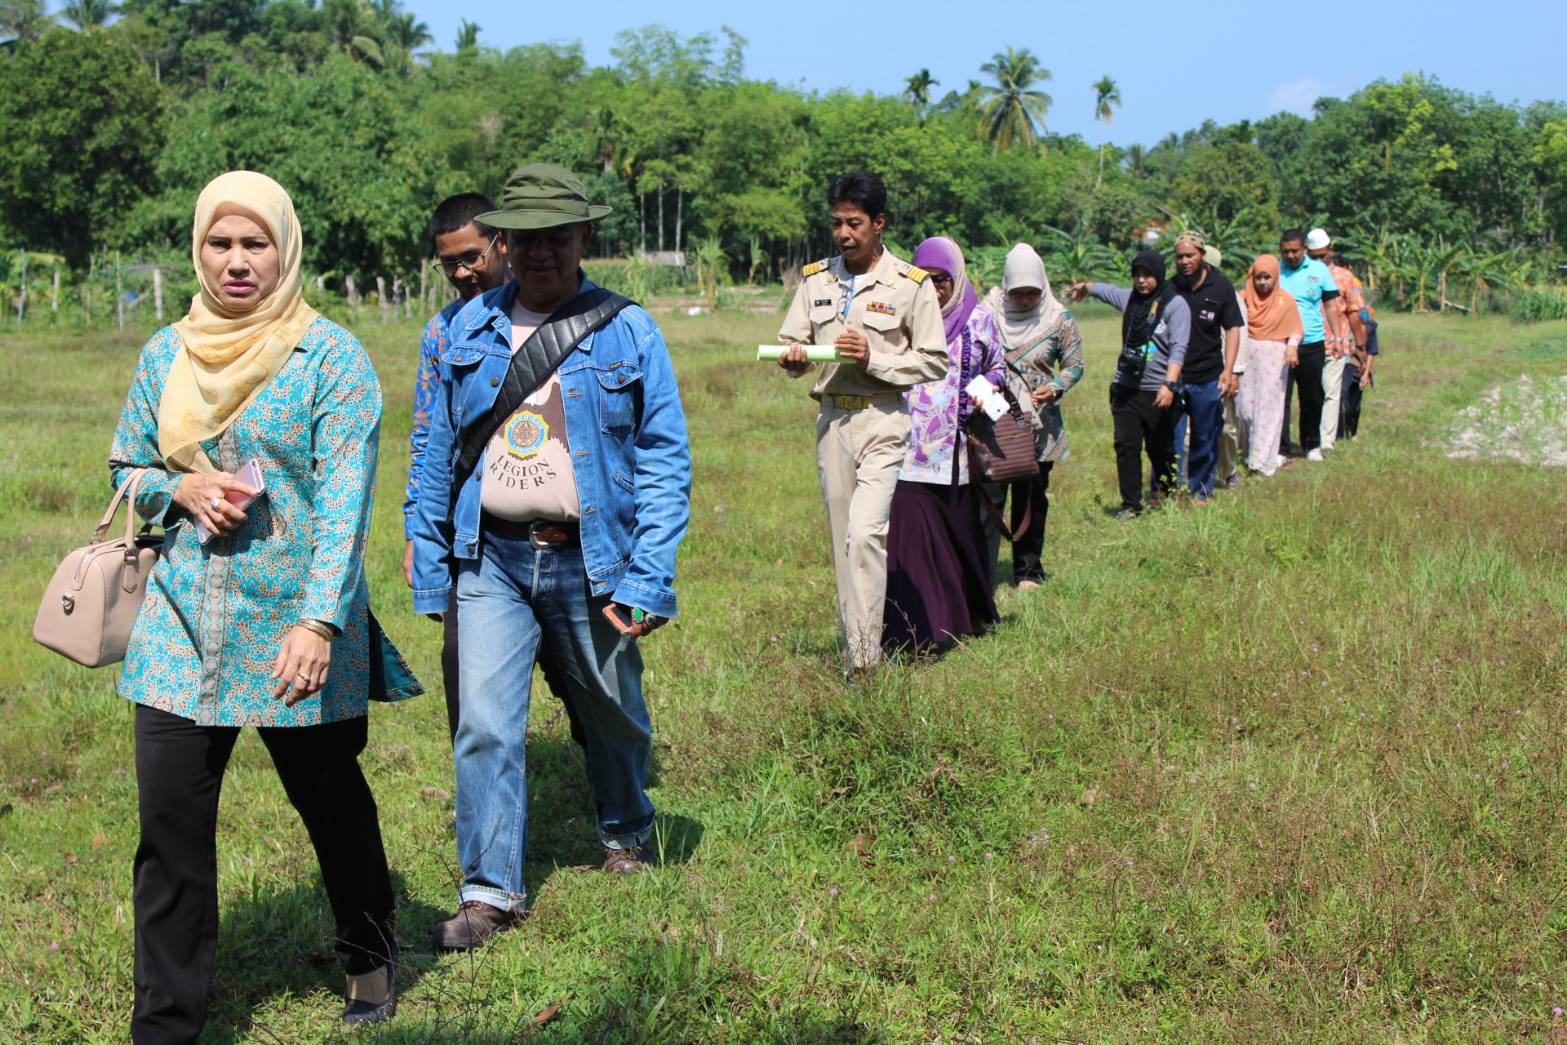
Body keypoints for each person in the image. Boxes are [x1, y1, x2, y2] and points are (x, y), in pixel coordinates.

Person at [108, 171, 419, 1040]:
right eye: (219, 243)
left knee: (331, 806)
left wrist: (319, 621)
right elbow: (124, 468)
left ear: (284, 249)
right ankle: (166, 1023)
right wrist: (179, 486)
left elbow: (346, 500)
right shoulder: (165, 353)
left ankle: (367, 954)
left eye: (255, 244)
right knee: (168, 834)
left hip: (292, 631)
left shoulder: (333, 358)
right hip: (178, 630)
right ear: (197, 249)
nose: (236, 262)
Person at [410, 163, 691, 950]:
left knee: (610, 712)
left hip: (591, 559)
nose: (540, 254)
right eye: (525, 239)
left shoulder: (626, 328)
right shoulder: (456, 332)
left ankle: (628, 829)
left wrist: (648, 575)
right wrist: (430, 553)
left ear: (583, 238)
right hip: (489, 558)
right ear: (505, 241)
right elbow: (432, 448)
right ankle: (489, 891)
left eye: (556, 238)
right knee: (485, 725)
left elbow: (666, 457)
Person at [777, 172, 947, 673]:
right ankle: (856, 648)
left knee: (866, 534)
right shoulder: (817, 280)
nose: (844, 234)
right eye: (837, 224)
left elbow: (933, 361)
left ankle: (866, 662)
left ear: (879, 223)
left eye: (854, 223)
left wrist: (875, 357)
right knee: (841, 541)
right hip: (833, 423)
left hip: (882, 420)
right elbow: (796, 339)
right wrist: (795, 360)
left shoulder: (910, 284)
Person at [405, 193, 510, 740]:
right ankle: (479, 791)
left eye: (473, 256)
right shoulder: (441, 334)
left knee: (584, 680)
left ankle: (610, 795)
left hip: (556, 528)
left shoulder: (550, 318)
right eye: (450, 263)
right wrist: (415, 532)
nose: (464, 272)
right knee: (462, 662)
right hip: (471, 531)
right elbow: (426, 440)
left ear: (502, 243)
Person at [882, 236, 1003, 652]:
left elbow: (998, 366)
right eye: (925, 279)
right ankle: (915, 630)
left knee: (957, 540)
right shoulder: (901, 315)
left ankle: (963, 619)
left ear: (957, 278)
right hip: (905, 448)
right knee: (911, 542)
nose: (933, 289)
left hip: (957, 454)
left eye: (942, 280)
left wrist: (988, 385)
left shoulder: (980, 319)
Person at [980, 243, 1084, 587]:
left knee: (1031, 498)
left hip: (1039, 425)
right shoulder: (987, 312)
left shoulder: (1058, 319)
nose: (1025, 300)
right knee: (989, 499)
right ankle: (983, 571)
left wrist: (1055, 387)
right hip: (993, 422)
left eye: (1032, 293)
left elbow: (1075, 364)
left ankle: (1028, 571)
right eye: (1018, 293)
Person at [1068, 251, 1189, 519]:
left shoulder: (1174, 305)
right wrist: (1086, 288)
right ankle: (1131, 504)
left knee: (1160, 448)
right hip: (1125, 387)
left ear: (1158, 274)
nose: (1142, 281)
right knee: (1126, 446)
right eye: (1137, 275)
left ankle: (1166, 491)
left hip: (1158, 389)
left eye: (1147, 275)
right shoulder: (1131, 299)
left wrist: (1169, 385)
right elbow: (1107, 291)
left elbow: (1179, 348)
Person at [1168, 231, 1243, 500]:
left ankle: (1201, 491)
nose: (1185, 261)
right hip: (1174, 377)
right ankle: (1170, 489)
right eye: (1180, 257)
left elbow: (1233, 328)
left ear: (1202, 255)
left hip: (1208, 375)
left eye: (1190, 255)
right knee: (1171, 439)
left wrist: (1229, 368)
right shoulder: (1169, 288)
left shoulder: (1221, 287)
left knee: (1204, 437)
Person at [1236, 254, 1304, 476]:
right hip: (1247, 357)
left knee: (1268, 409)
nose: (1263, 283)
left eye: (1267, 278)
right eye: (1259, 278)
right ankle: (1247, 452)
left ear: (1275, 277)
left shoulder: (1286, 300)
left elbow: (1295, 330)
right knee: (1245, 409)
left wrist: (1292, 346)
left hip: (1274, 360)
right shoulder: (1243, 298)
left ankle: (1261, 460)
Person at [1277, 228, 1340, 462]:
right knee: (1281, 398)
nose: (1291, 256)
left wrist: (1337, 336)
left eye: (1295, 251)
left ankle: (1311, 444)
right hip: (1280, 343)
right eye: (1286, 252)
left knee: (1312, 396)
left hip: (1312, 342)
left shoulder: (1319, 270)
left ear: (1304, 250)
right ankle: (1281, 448)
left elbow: (1331, 305)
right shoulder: (1275, 270)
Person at [1306, 230, 1374, 440]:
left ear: (1330, 252)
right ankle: (1311, 435)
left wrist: (1361, 345)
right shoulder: (1301, 274)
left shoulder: (1346, 278)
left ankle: (1327, 439)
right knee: (1311, 394)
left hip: (1336, 345)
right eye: (1313, 256)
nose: (1318, 261)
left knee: (1331, 392)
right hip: (1307, 343)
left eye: (1322, 256)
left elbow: (1355, 313)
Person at [1208, 245, 1249, 488]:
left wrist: (1234, 371)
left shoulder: (1228, 294)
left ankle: (1230, 470)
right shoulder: (1183, 292)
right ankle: (1198, 475)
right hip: (1193, 370)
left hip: (1223, 369)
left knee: (1225, 427)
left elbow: (1240, 334)